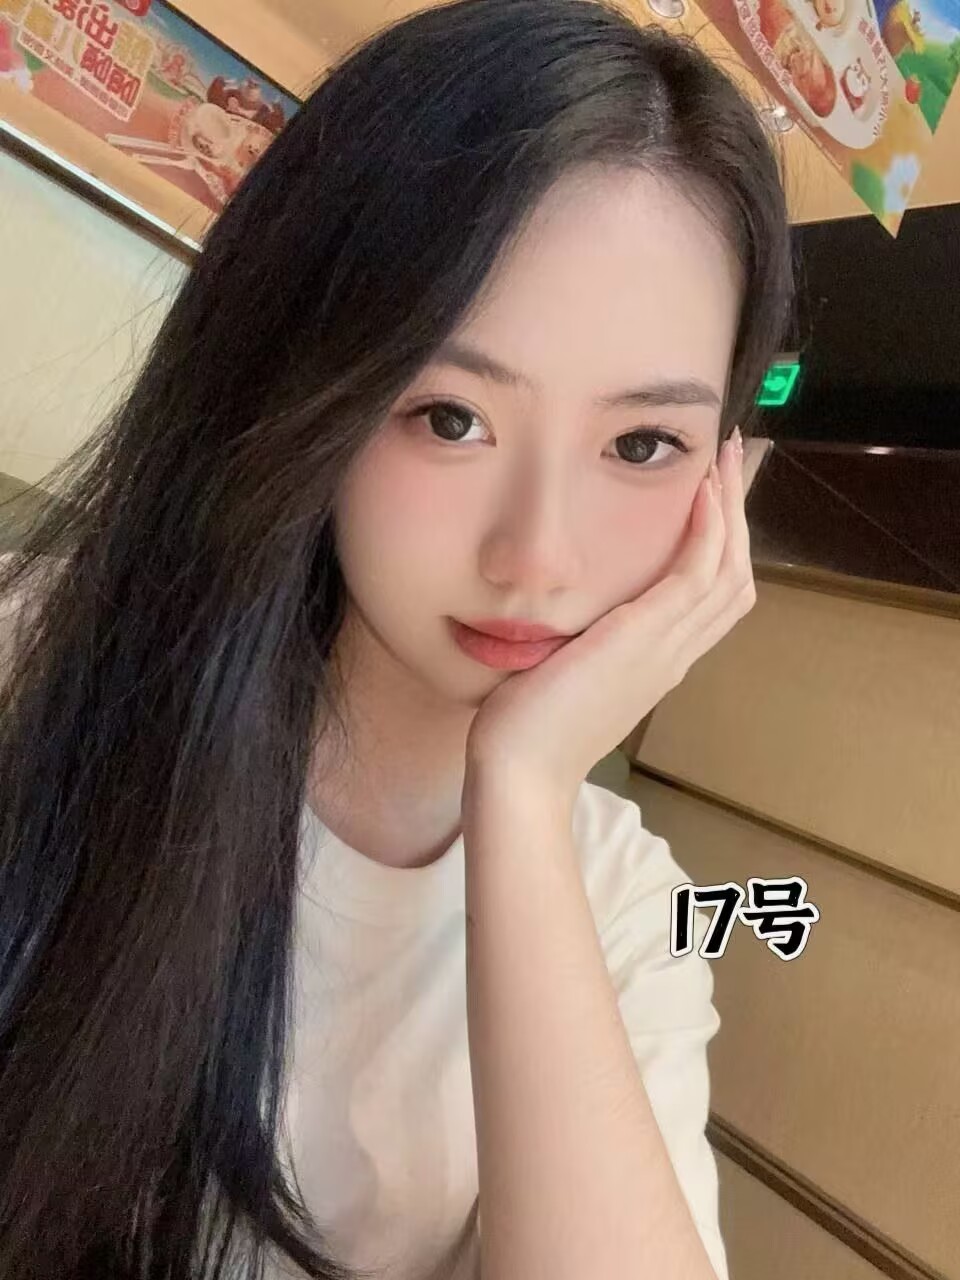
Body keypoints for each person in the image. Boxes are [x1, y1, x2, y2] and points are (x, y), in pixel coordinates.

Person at [0, 1, 793, 1278]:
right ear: (305, 378)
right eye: (449, 416)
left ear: (723, 482)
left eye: (642, 443)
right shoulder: (38, 665)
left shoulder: (629, 904)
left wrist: (521, 795)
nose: (537, 555)